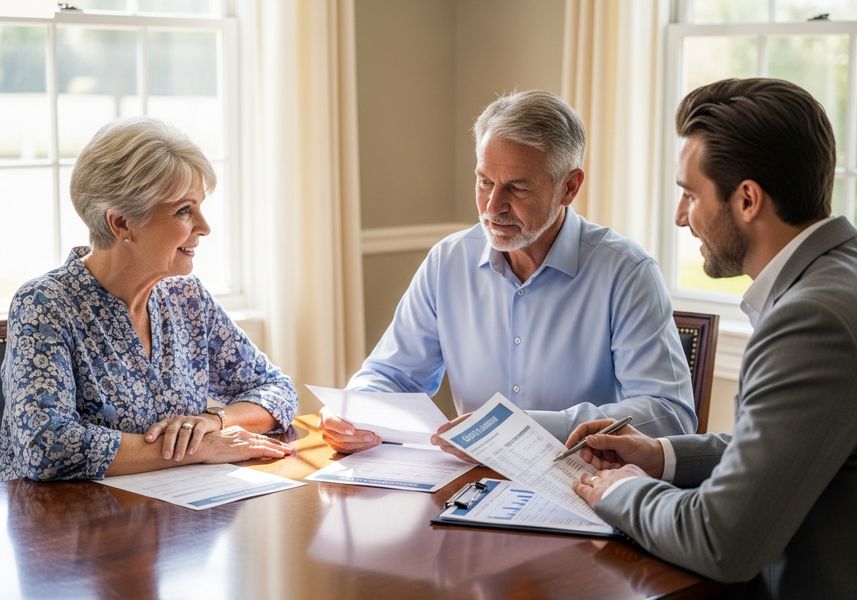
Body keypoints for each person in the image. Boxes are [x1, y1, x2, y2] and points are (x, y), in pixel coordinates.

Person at [568, 78, 857, 598]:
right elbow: (785, 449)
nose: (681, 218)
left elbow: (720, 539)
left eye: (689, 194)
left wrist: (622, 488)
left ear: (747, 199)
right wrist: (662, 455)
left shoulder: (810, 320)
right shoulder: (840, 276)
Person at [321, 90, 695, 454]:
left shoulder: (626, 272)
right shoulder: (448, 262)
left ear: (569, 187)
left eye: (516, 188)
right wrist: (353, 411)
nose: (493, 206)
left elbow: (668, 415)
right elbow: (391, 373)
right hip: (467, 487)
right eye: (485, 181)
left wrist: (519, 428)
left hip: (586, 486)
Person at [0, 117, 297, 481]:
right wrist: (198, 448)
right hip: (65, 527)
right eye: (184, 210)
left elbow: (277, 389)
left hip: (175, 516)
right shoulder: (45, 305)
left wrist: (212, 421)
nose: (204, 227)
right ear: (121, 223)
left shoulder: (187, 297)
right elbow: (47, 448)